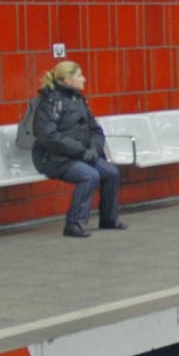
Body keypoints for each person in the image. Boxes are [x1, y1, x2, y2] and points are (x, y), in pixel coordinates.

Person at [31, 60, 125, 239]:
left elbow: (95, 129)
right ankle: (74, 223)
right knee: (89, 176)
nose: (84, 79)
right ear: (67, 80)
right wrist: (82, 152)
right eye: (79, 75)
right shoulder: (50, 103)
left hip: (80, 154)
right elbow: (49, 137)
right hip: (53, 158)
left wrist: (95, 149)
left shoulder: (79, 100)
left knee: (111, 172)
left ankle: (109, 219)